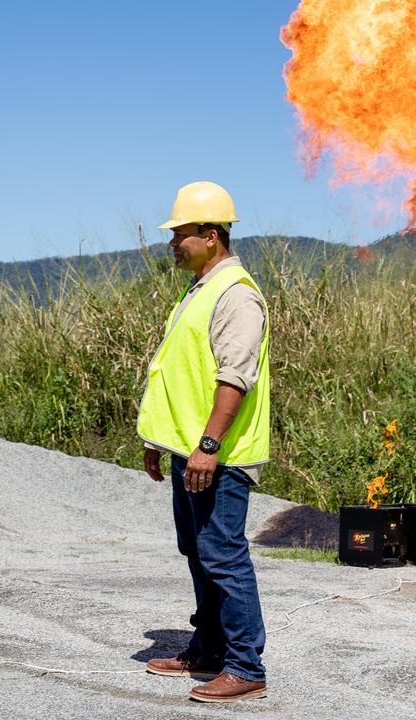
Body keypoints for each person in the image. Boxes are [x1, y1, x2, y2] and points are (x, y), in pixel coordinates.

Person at [137, 181, 271, 703]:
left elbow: (234, 379)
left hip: (220, 456)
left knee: (223, 554)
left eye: (181, 234)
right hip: (189, 451)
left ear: (211, 236)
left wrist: (210, 448)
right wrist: (160, 439)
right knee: (198, 551)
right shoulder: (198, 289)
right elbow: (176, 372)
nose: (173, 243)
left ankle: (246, 666)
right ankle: (209, 648)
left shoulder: (237, 295)